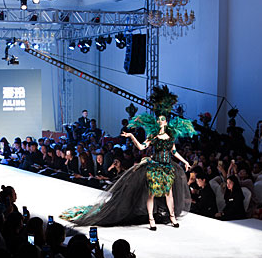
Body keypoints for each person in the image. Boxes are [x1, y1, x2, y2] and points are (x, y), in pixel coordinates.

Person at [60, 86, 196, 229]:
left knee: (169, 193)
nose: (160, 121)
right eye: (159, 119)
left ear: (166, 122)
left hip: (167, 167)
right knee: (151, 193)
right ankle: (151, 219)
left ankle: (172, 217)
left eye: (162, 119)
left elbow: (174, 151)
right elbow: (142, 147)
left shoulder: (170, 136)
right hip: (155, 166)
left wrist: (185, 161)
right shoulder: (153, 136)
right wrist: (131, 136)